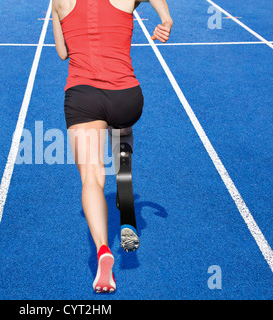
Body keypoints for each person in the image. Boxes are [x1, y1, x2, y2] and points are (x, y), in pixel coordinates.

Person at [52, 0, 172, 293]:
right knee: (121, 124)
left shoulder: (58, 1)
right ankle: (123, 156)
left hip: (83, 97)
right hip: (126, 96)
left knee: (91, 177)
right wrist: (165, 19)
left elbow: (63, 52)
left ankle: (103, 248)